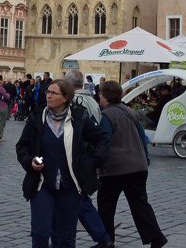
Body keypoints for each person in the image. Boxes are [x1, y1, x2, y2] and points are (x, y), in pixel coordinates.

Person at [16, 79, 110, 248]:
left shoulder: (79, 117)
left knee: (66, 237)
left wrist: (92, 162)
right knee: (40, 234)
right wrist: (29, 162)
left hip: (70, 187)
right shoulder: (37, 117)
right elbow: (22, 146)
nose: (48, 96)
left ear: (65, 97)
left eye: (53, 93)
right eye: (48, 92)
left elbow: (102, 138)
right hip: (42, 185)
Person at [97, 80, 167, 248]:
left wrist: (96, 162)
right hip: (138, 166)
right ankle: (156, 237)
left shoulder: (107, 115)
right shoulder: (131, 112)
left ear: (105, 96)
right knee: (140, 204)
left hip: (116, 169)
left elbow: (103, 142)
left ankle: (107, 240)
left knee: (106, 205)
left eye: (100, 94)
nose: (99, 97)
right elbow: (143, 138)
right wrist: (146, 158)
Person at [63, 68, 113, 248]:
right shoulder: (92, 101)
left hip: (79, 156)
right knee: (79, 199)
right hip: (89, 155)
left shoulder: (74, 101)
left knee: (79, 199)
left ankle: (100, 238)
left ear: (68, 85)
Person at [0, 73, 13, 142]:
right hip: (3, 106)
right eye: (2, 79)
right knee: (1, 123)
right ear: (0, 80)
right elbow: (7, 96)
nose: (3, 80)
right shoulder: (1, 88)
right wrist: (8, 94)